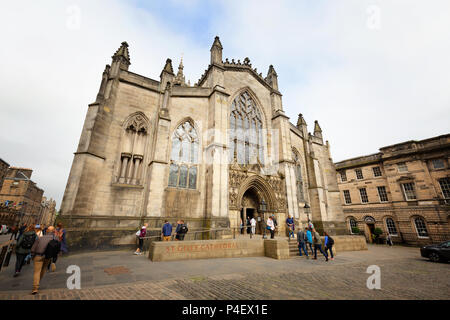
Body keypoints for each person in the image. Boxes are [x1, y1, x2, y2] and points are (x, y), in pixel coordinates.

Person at [30, 226, 60, 295]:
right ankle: (37, 283)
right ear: (53, 231)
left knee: (37, 272)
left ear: (47, 231)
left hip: (38, 255)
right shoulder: (55, 239)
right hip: (47, 256)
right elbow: (57, 249)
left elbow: (33, 248)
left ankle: (35, 287)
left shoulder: (41, 238)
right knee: (43, 270)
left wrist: (32, 255)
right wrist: (54, 259)